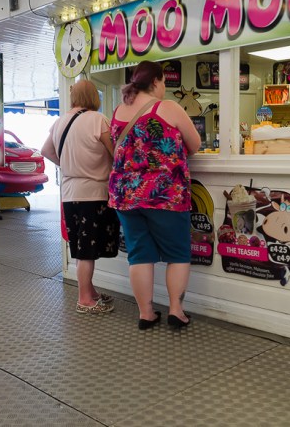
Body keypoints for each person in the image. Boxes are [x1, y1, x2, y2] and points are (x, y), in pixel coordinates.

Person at [108, 61, 202, 330]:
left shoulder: (119, 111)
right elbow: (195, 144)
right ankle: (176, 311)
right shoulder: (168, 107)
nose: (164, 88)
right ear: (156, 82)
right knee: (177, 253)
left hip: (126, 195)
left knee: (139, 253)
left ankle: (146, 314)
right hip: (164, 194)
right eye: (164, 83)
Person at [41, 79, 120, 315]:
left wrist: (67, 164)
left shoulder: (60, 121)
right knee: (88, 249)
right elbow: (116, 154)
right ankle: (84, 299)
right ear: (94, 97)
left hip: (69, 194)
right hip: (93, 193)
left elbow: (45, 150)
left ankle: (90, 291)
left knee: (81, 246)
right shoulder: (98, 120)